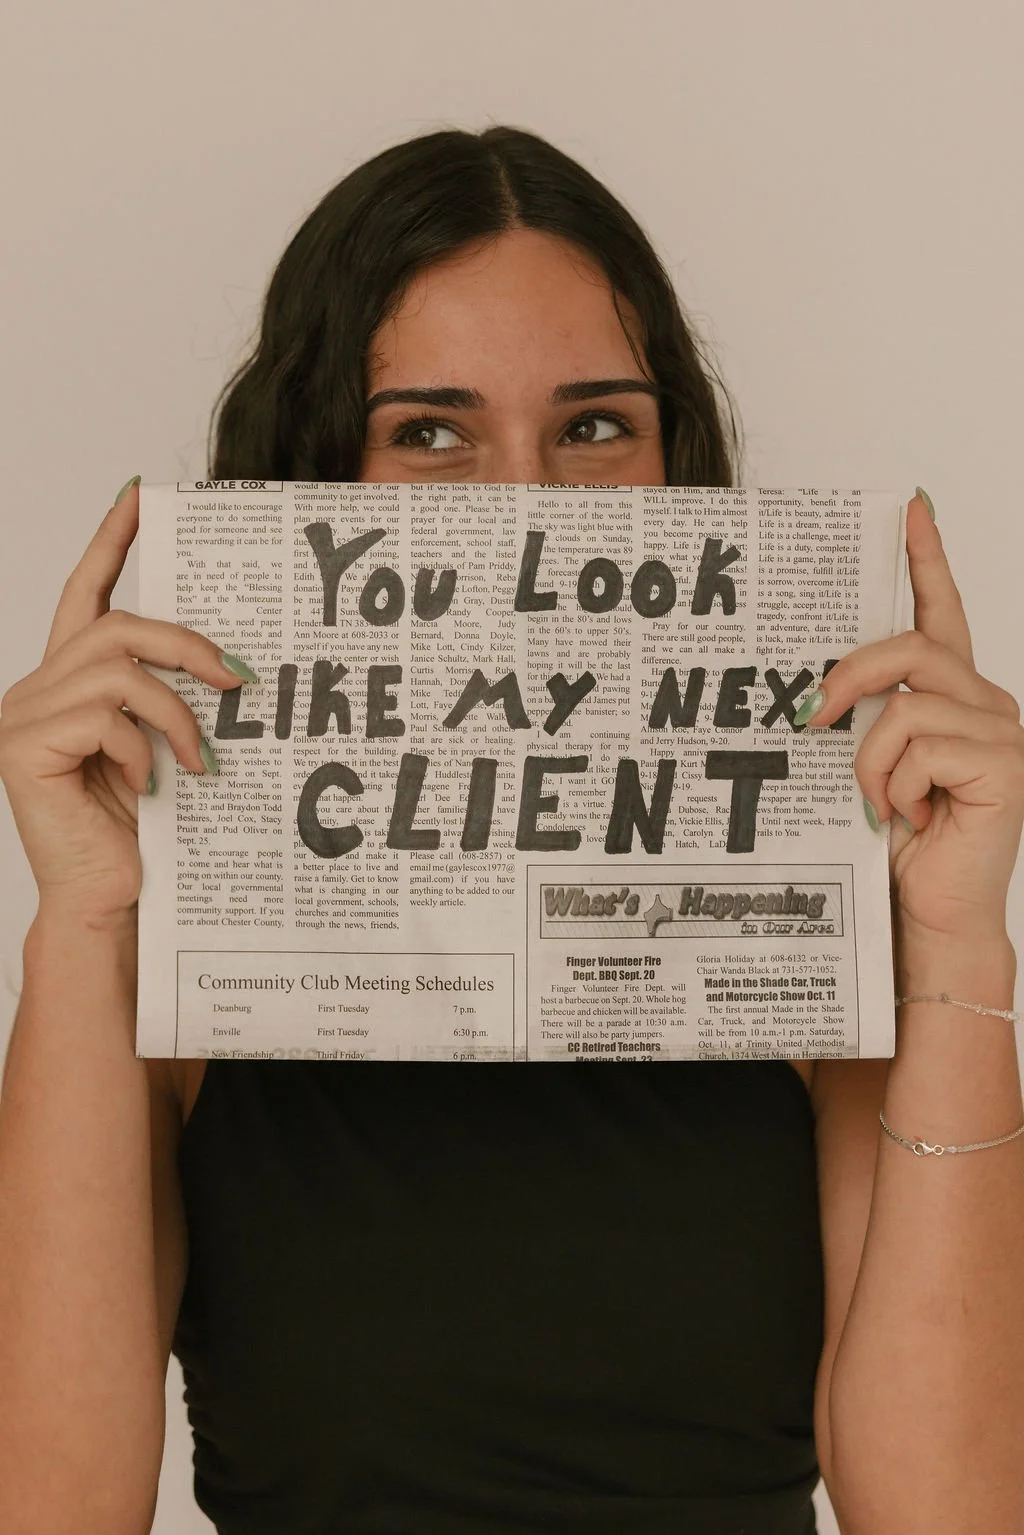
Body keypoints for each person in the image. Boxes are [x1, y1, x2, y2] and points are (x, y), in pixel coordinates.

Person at [1, 125, 1022, 1535]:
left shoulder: (813, 933)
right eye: (429, 433)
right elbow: (55, 1508)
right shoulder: (174, 973)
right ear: (313, 477)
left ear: (676, 465)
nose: (529, 509)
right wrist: (82, 917)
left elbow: (947, 1513)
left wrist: (959, 941)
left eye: (595, 427)